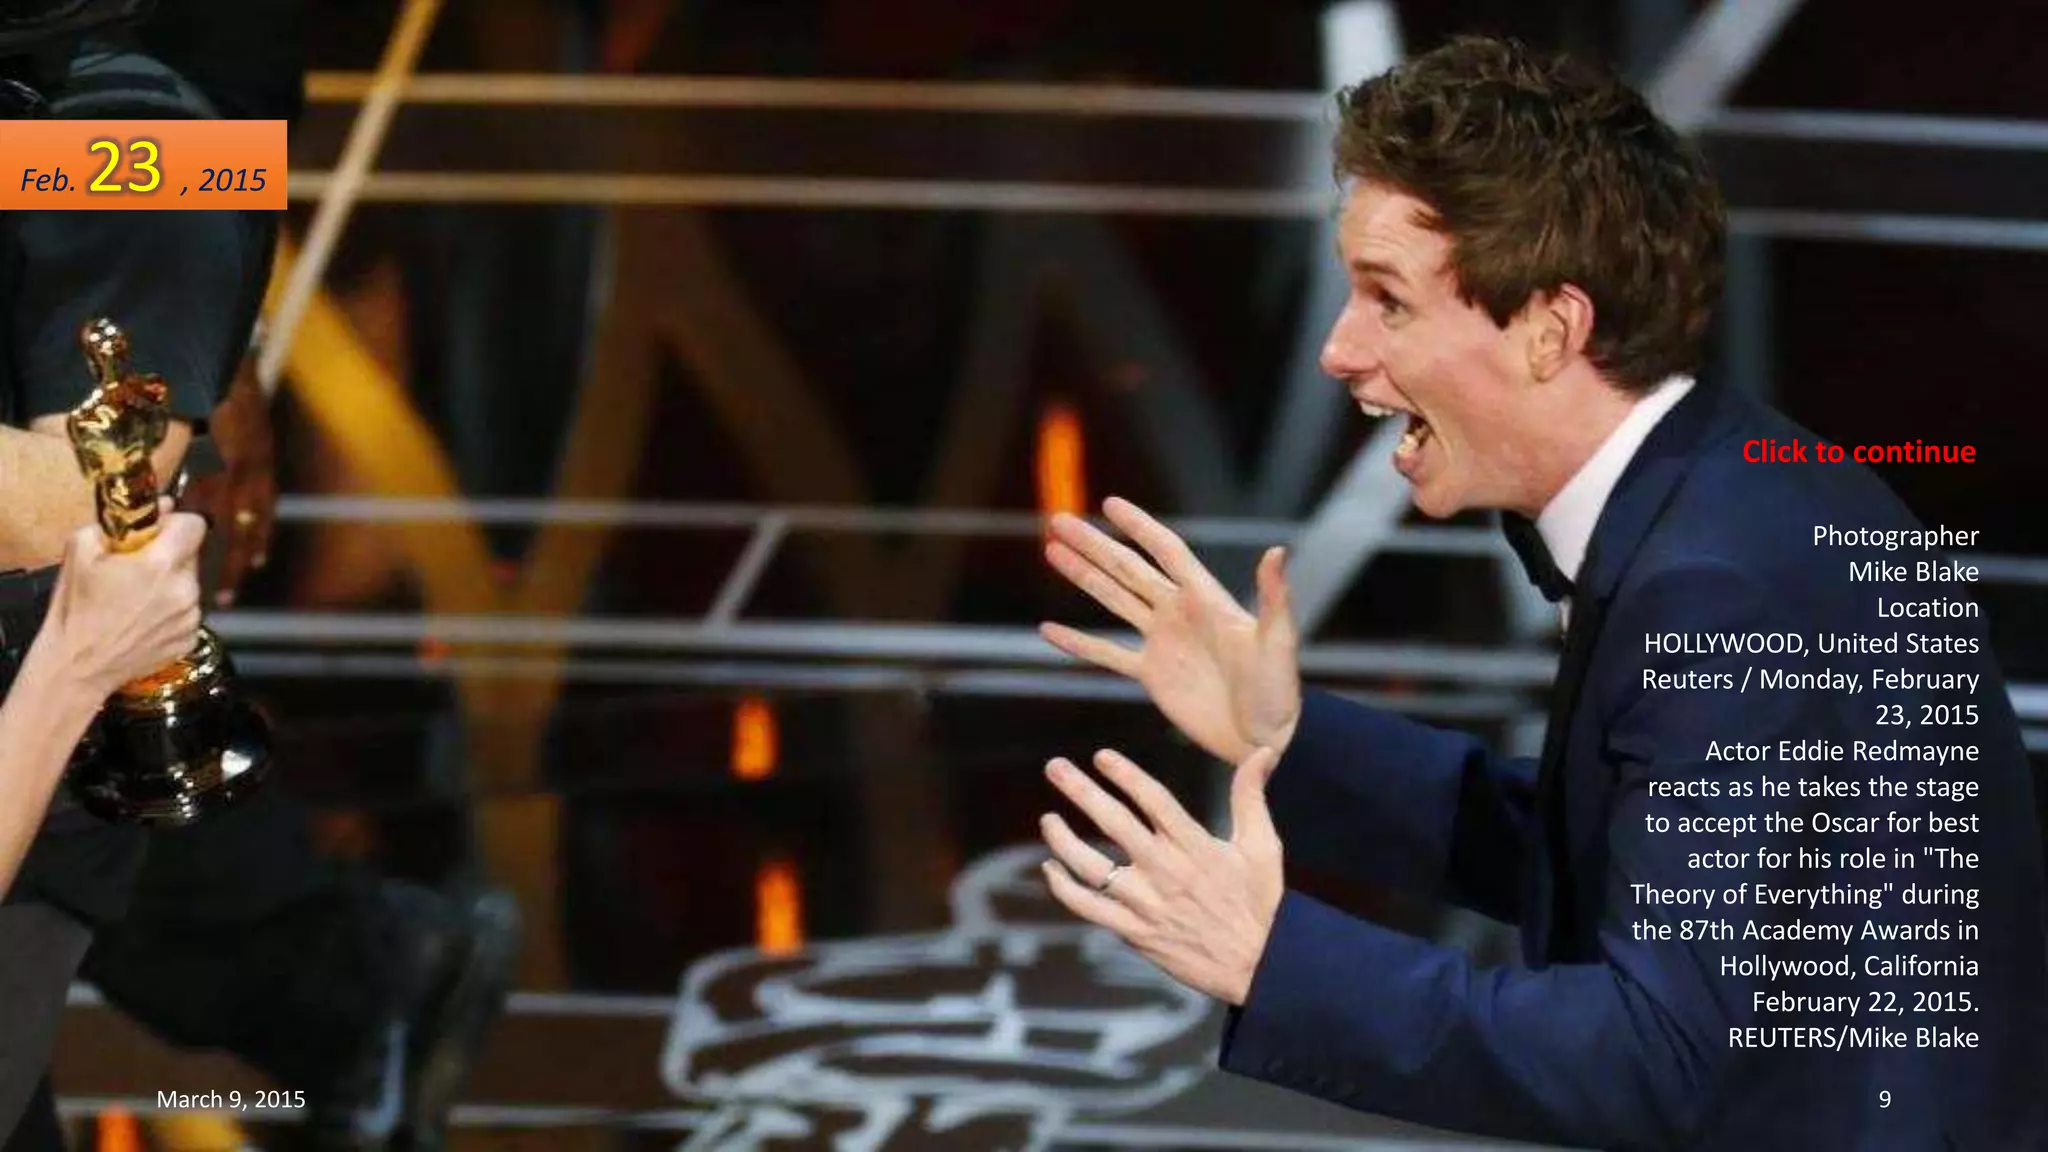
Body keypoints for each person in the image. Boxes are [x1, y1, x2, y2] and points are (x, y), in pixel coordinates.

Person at [1032, 35, 2048, 1151]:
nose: (1338, 350)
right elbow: (1608, 853)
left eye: (1388, 301)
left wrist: (1275, 957)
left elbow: (1650, 1054)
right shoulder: (1720, 488)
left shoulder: (1719, 589)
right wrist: (1286, 733)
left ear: (1548, 330)